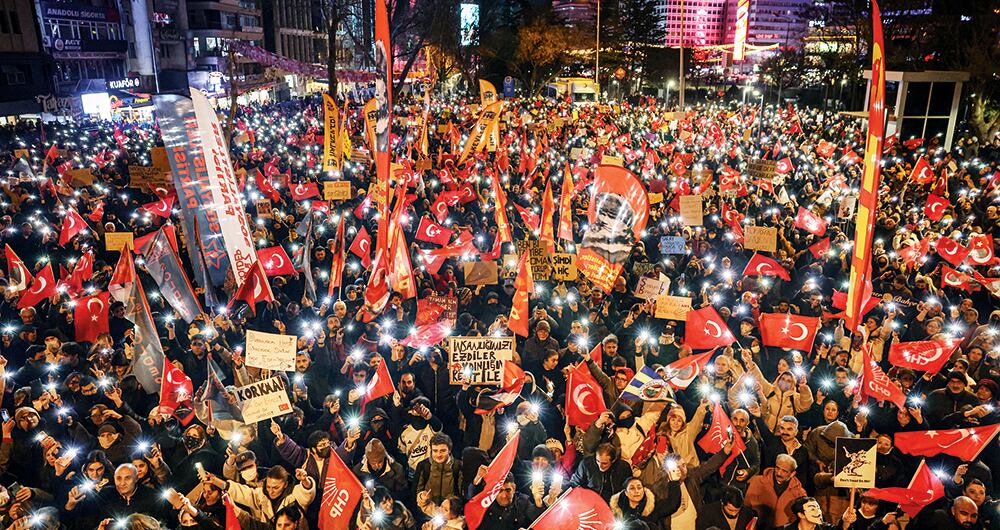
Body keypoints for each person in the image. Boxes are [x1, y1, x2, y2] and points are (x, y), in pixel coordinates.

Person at [746, 454, 809, 529]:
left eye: (784, 471)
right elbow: (746, 508)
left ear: (792, 474)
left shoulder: (800, 493)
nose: (779, 473)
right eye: (777, 468)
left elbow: (800, 520)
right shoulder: (757, 482)